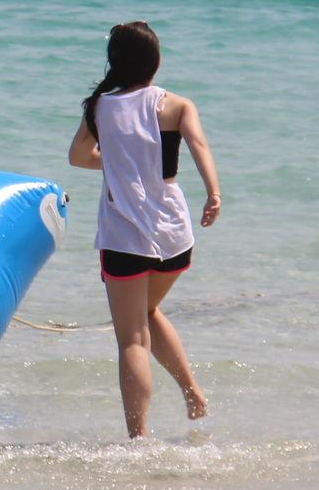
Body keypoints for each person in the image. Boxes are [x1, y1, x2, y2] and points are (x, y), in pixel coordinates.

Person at [68, 22, 221, 438]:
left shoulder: (100, 106)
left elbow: (78, 157)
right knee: (148, 313)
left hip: (124, 238)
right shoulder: (177, 105)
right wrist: (213, 194)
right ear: (156, 61)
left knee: (133, 339)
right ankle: (192, 392)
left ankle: (138, 440)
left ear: (115, 61)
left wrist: (119, 162)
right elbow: (199, 146)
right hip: (174, 233)